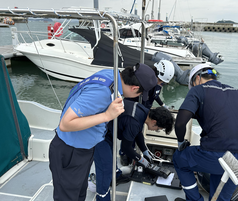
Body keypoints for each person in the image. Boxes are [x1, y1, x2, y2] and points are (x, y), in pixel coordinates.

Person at [49, 63, 157, 201]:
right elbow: (65, 123)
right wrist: (106, 116)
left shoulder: (112, 75)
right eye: (141, 93)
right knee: (68, 196)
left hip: (83, 148)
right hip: (71, 151)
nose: (140, 95)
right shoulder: (102, 92)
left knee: (79, 192)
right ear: (135, 88)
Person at [172, 63, 238, 201]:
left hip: (216, 154)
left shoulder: (198, 90)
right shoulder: (237, 92)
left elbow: (181, 123)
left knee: (179, 158)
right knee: (220, 196)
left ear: (197, 78)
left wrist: (181, 142)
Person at [94, 99, 174, 201]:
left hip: (109, 129)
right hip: (99, 133)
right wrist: (143, 161)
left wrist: (145, 152)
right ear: (154, 122)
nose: (156, 131)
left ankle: (116, 176)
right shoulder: (134, 122)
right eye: (158, 129)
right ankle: (102, 197)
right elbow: (126, 148)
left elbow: (138, 132)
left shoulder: (144, 111)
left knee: (111, 155)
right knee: (104, 167)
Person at [119, 59, 175, 165]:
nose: (160, 84)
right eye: (160, 81)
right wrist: (142, 160)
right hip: (133, 113)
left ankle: (132, 153)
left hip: (143, 113)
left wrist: (162, 105)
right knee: (129, 135)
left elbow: (155, 96)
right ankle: (124, 154)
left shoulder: (156, 86)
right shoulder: (143, 82)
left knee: (135, 132)